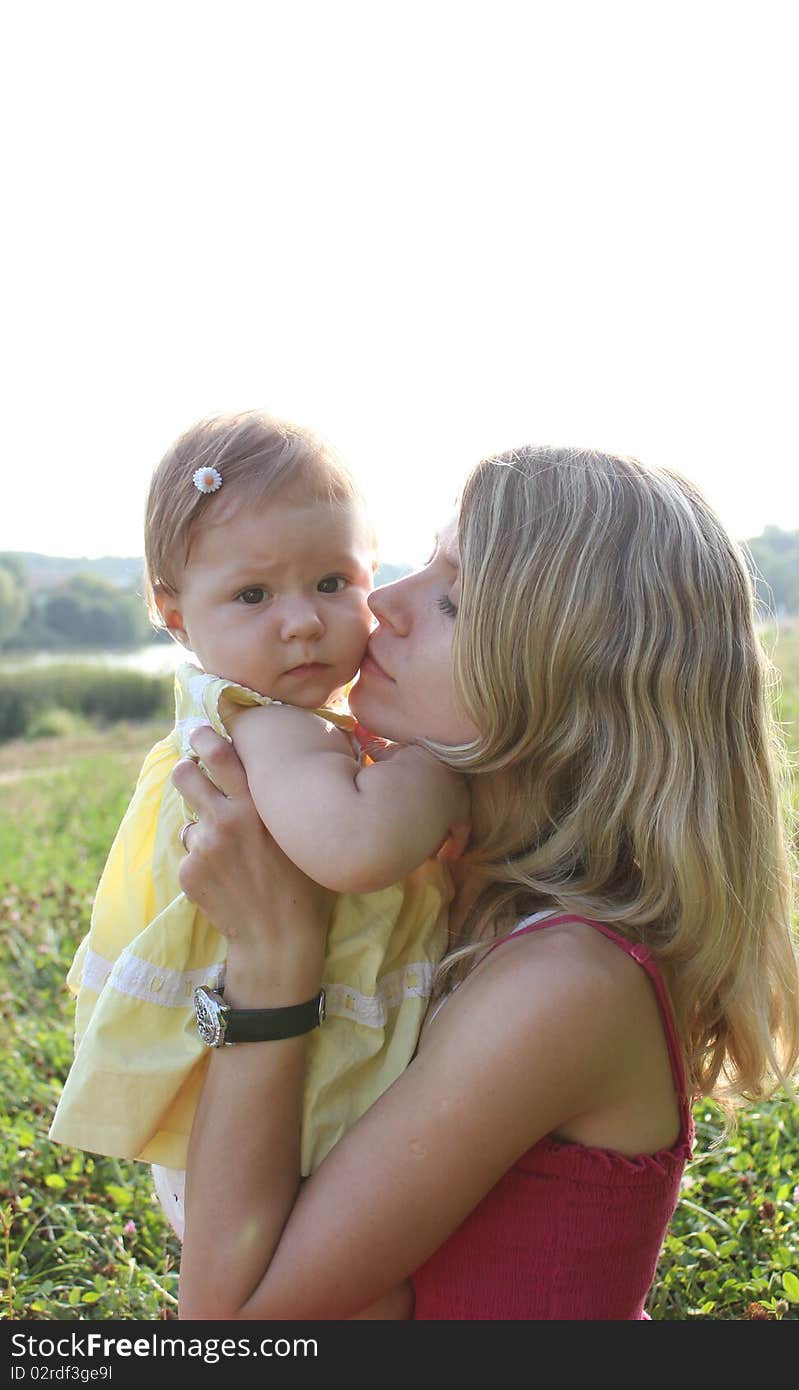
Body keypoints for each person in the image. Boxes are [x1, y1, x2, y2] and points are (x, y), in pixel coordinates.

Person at [170, 444, 799, 1321]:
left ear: (568, 677)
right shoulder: (444, 888)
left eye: (452, 598)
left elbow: (231, 1328)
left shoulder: (566, 982)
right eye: (423, 564)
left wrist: (273, 955)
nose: (383, 605)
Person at [48, 412, 468, 1242]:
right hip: (281, 1106)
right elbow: (355, 847)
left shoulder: (292, 717)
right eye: (252, 595)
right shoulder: (268, 724)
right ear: (175, 615)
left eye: (331, 583)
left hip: (248, 1095)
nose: (303, 622)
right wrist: (449, 762)